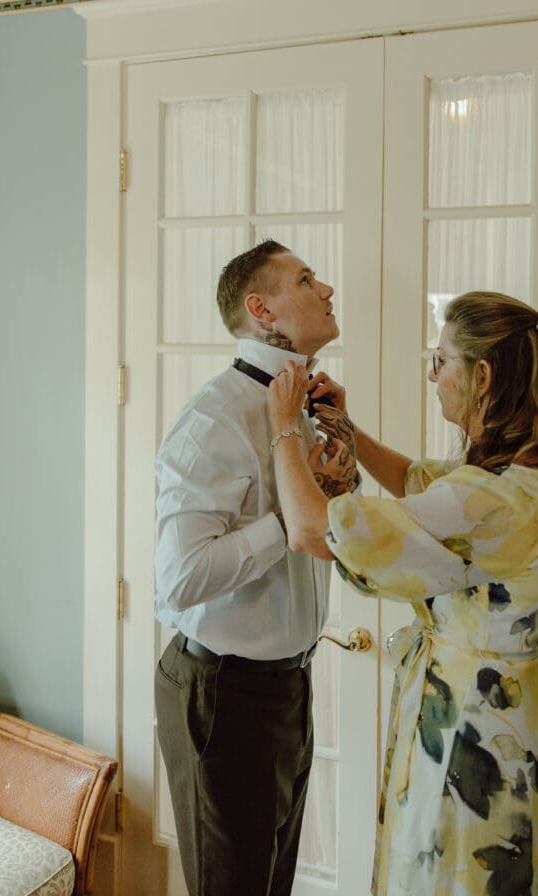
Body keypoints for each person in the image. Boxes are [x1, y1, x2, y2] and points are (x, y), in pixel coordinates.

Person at [266, 290, 538, 896]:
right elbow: (426, 487)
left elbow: (312, 528)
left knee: (448, 877)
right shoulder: (533, 473)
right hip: (510, 719)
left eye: (440, 362)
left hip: (468, 737)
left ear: (481, 376)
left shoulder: (492, 501)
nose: (433, 377)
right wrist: (346, 430)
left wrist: (285, 429)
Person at [154, 239, 357, 896]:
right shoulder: (214, 419)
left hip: (288, 688)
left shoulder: (307, 406)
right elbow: (180, 578)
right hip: (222, 695)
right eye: (306, 278)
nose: (326, 289)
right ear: (261, 309)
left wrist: (339, 482)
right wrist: (288, 521)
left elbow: (322, 540)